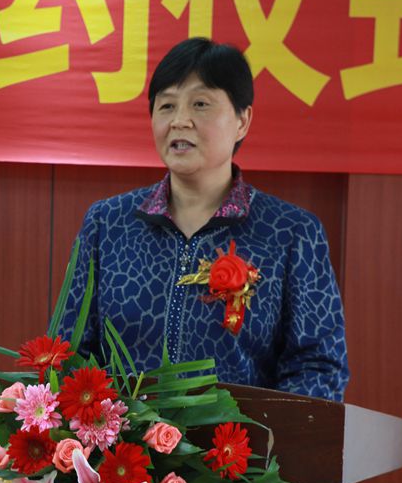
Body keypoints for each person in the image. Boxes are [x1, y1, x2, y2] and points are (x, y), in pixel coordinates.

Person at [59, 38, 349, 401]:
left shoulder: (292, 233)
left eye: (200, 104)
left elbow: (318, 367)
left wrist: (260, 432)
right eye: (167, 105)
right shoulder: (108, 224)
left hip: (241, 438)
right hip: (123, 438)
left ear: (242, 121)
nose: (180, 121)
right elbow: (69, 352)